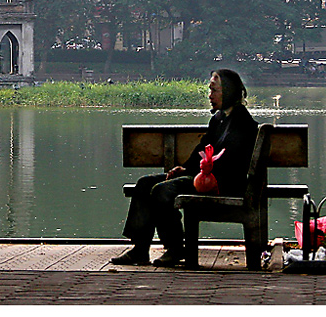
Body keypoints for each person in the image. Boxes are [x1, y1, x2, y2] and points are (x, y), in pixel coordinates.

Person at [110, 68, 259, 267]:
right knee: (144, 184)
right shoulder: (219, 119)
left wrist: (198, 174)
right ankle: (139, 248)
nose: (210, 95)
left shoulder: (242, 122)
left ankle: (175, 248)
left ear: (229, 91)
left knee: (162, 191)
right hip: (202, 177)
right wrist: (184, 169)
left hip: (221, 183)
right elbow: (203, 149)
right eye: (210, 90)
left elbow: (229, 161)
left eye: (214, 90)